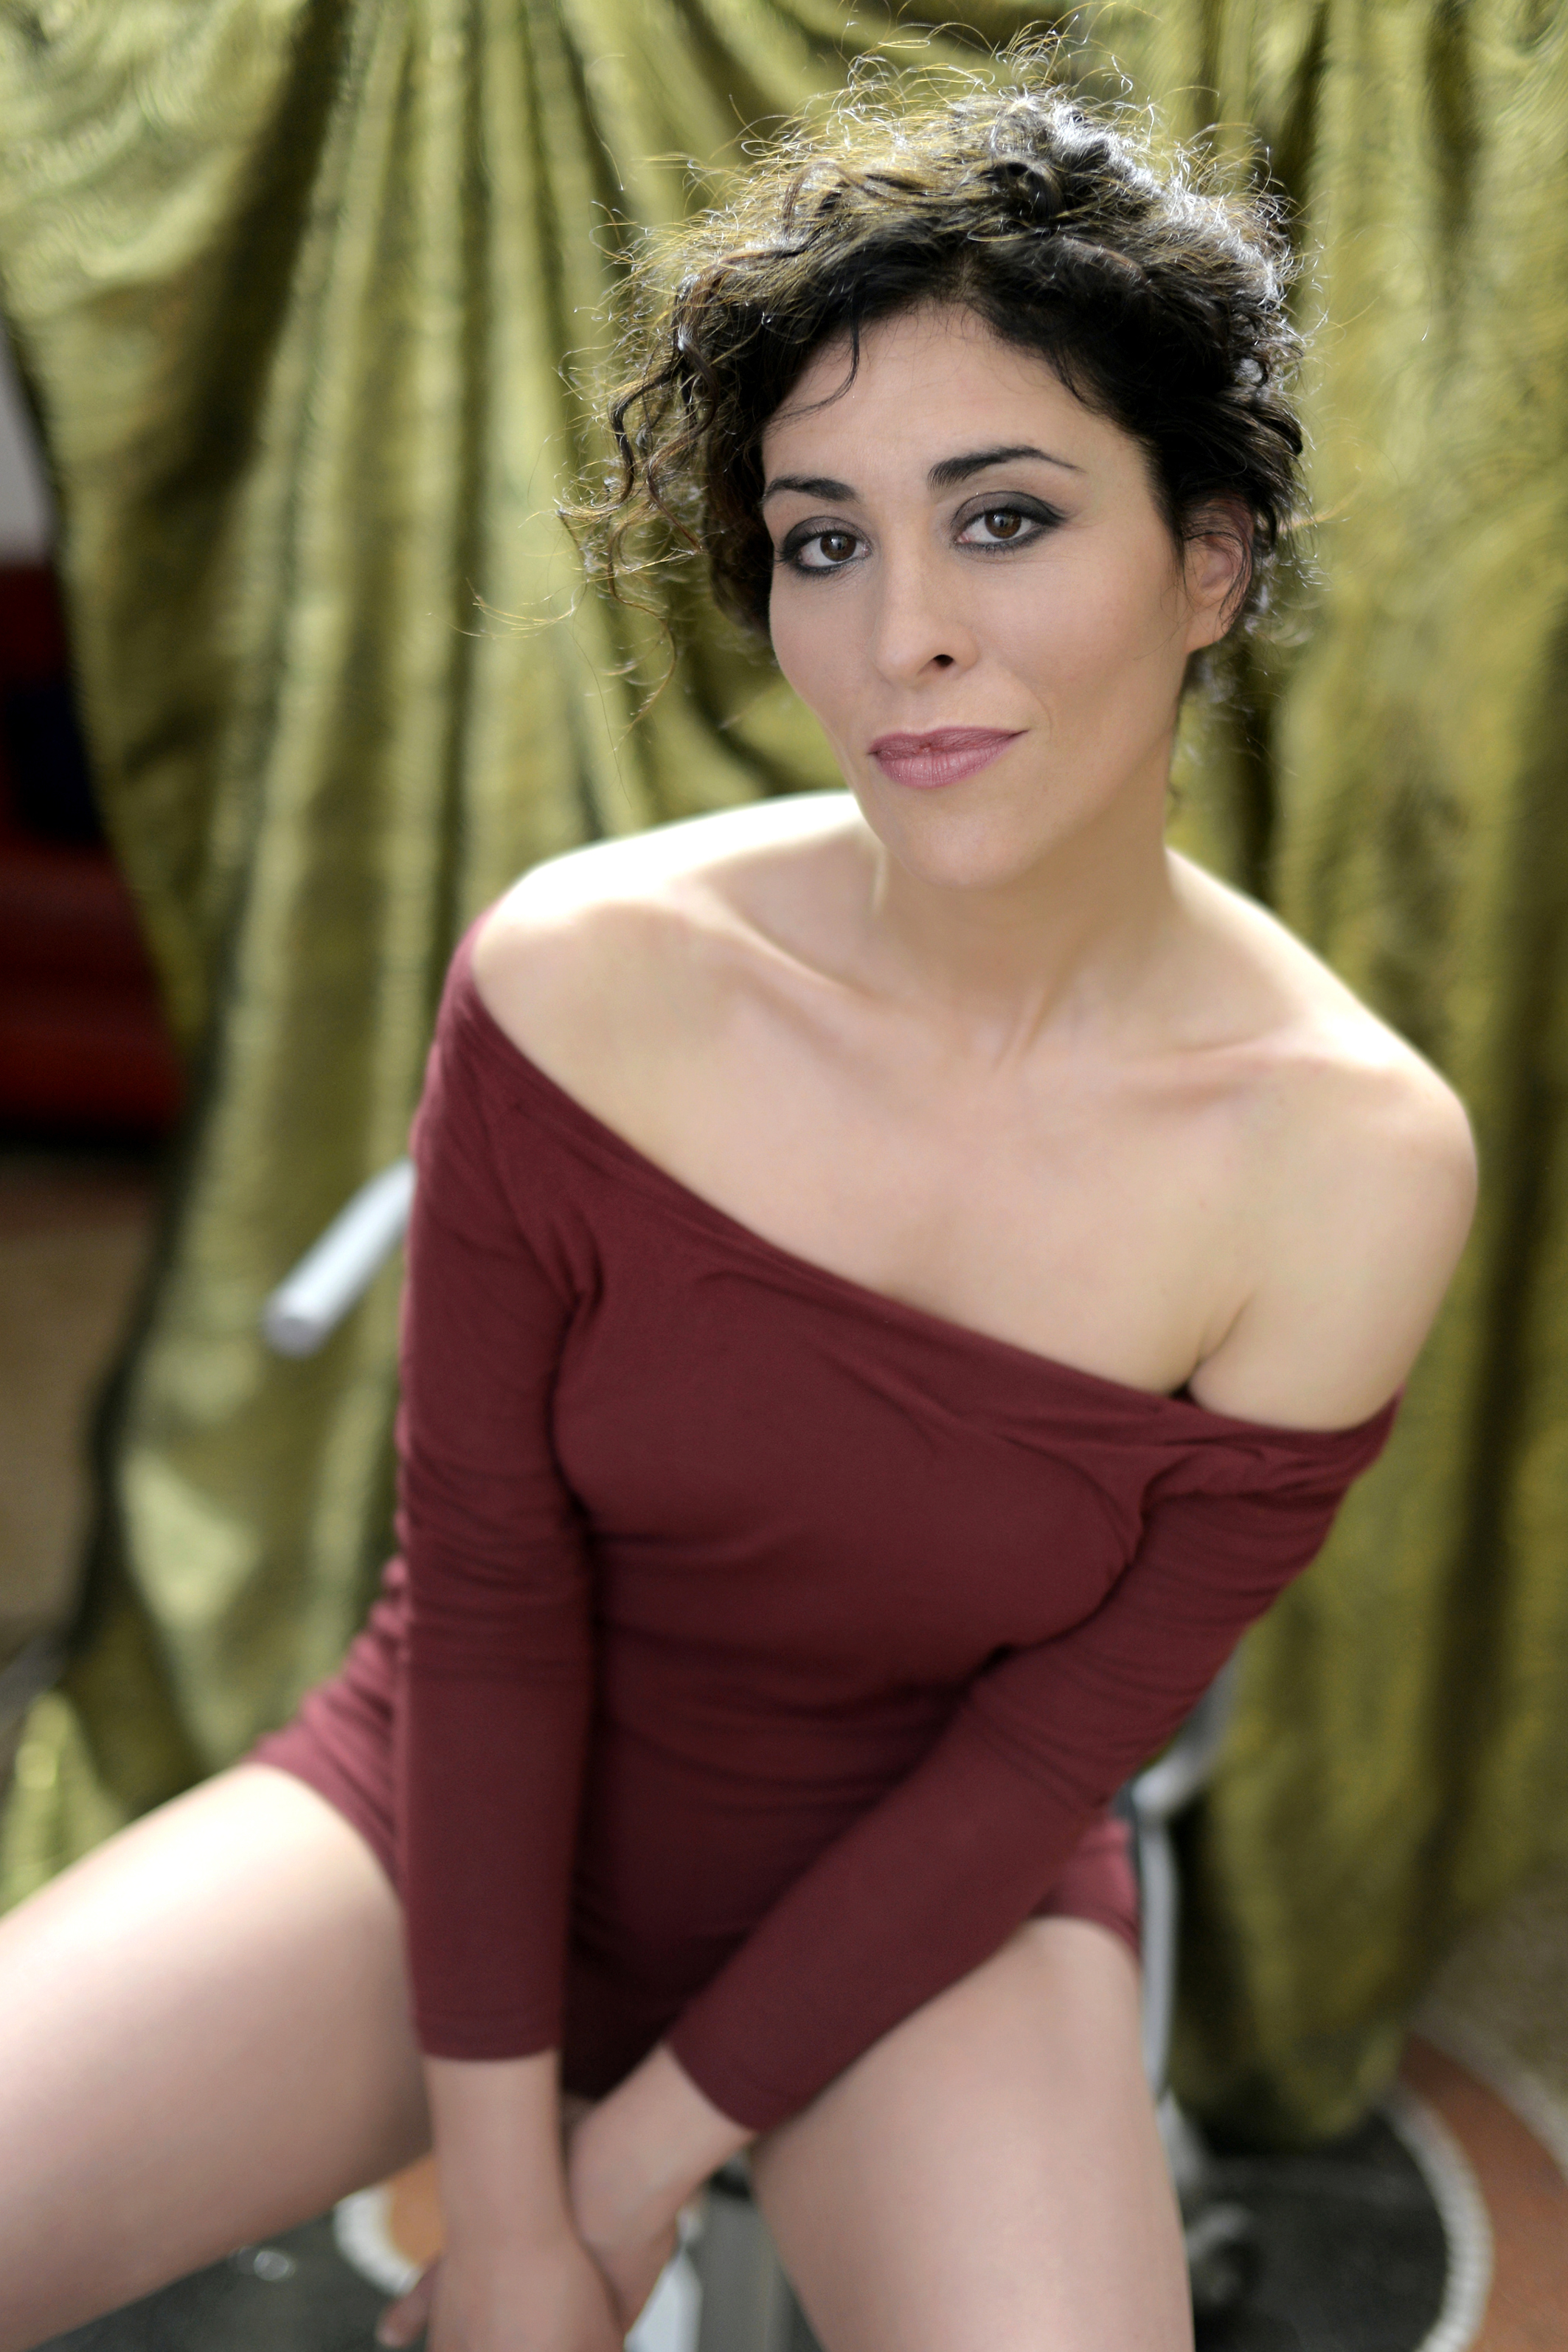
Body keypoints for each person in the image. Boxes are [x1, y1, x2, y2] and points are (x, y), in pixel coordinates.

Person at [0, 55, 1475, 2352]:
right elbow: (488, 1605)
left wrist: (617, 2186)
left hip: (938, 1909)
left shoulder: (1349, 1161)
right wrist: (504, 2223)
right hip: (435, 1816)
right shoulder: (588, 977)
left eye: (1005, 518)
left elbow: (1043, 1756)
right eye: (823, 539)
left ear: (1211, 559)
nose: (904, 636)